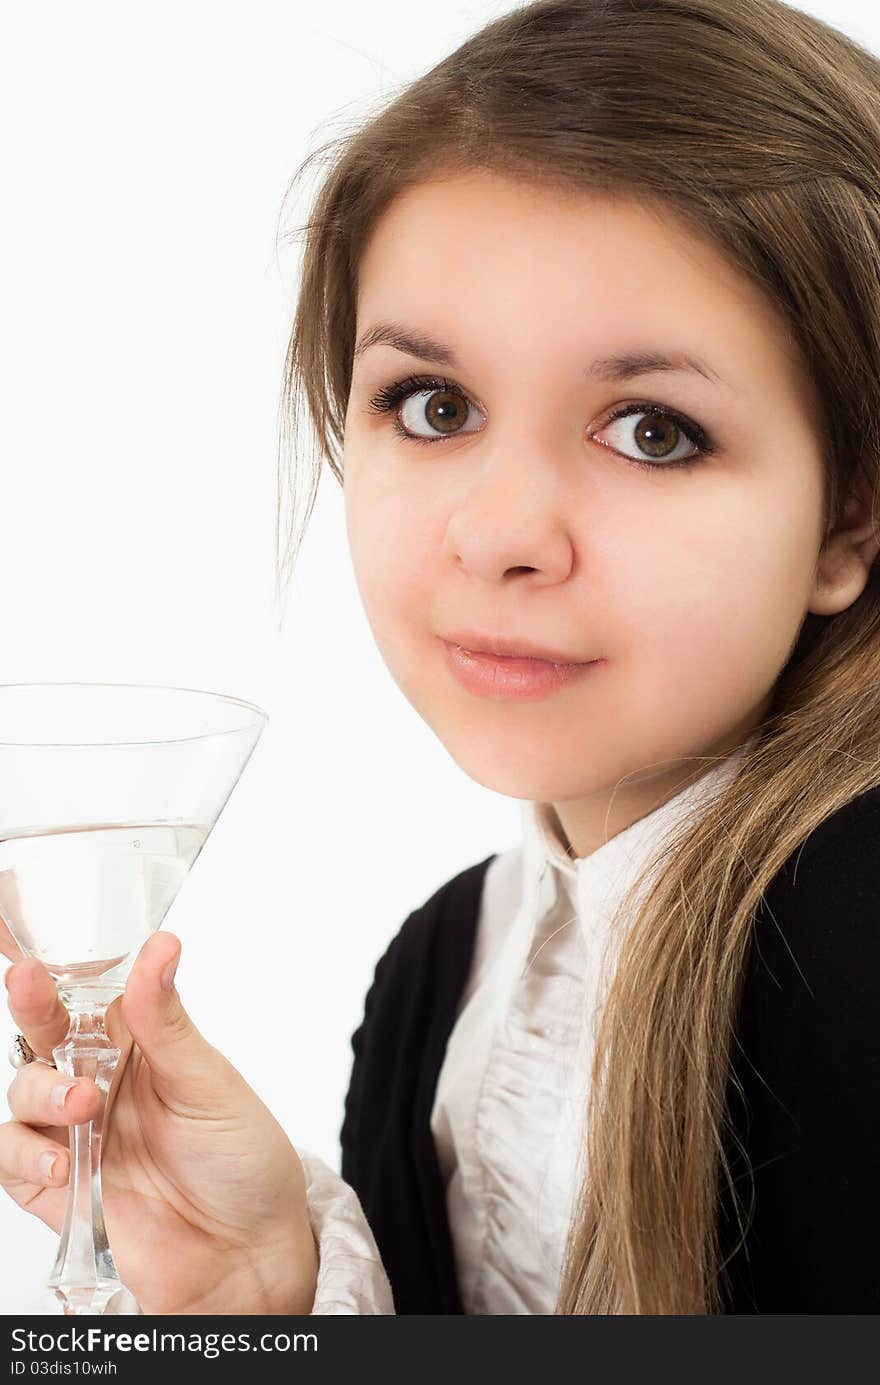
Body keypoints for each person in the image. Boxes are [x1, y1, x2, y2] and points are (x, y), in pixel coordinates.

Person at [4, 0, 880, 1315]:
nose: (504, 533)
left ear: (850, 514)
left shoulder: (857, 949)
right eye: (435, 405)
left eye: (651, 429)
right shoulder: (439, 969)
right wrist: (269, 1290)